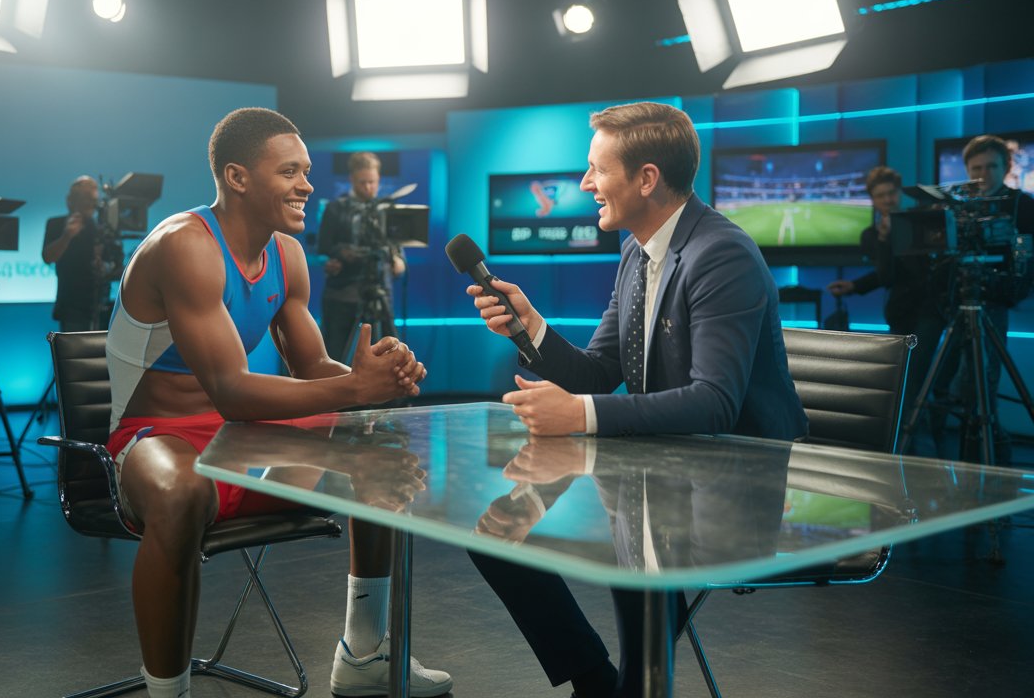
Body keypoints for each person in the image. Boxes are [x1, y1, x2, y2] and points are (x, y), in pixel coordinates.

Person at [463, 101, 808, 698]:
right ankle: (596, 681)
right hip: (662, 466)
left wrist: (579, 417)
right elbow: (598, 371)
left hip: (736, 484)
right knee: (495, 537)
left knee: (626, 546)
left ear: (646, 178)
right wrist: (532, 328)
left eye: (597, 168)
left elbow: (714, 403)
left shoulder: (720, 254)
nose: (585, 183)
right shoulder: (638, 251)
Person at [104, 108, 450, 698]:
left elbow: (313, 368)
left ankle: (364, 654)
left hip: (243, 438)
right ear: (237, 177)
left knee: (380, 448)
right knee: (182, 492)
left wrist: (371, 377)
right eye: (289, 171)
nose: (308, 185)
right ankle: (168, 691)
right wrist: (353, 390)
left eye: (307, 171)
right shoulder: (183, 245)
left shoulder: (287, 255)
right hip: (155, 436)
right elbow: (232, 391)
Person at [925, 135, 1034, 465]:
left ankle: (989, 466)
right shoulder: (954, 206)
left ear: (1006, 167)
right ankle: (945, 460)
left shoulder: (1023, 205)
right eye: (976, 168)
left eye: (991, 167)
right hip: (954, 304)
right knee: (943, 386)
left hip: (993, 304)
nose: (984, 174)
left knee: (982, 388)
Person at [826, 166, 944, 452]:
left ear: (899, 193)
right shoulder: (871, 235)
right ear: (873, 200)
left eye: (891, 194)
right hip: (900, 314)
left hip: (931, 312)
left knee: (918, 381)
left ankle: (922, 450)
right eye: (881, 196)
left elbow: (924, 271)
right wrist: (857, 282)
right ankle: (907, 450)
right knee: (903, 382)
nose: (888, 200)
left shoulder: (922, 224)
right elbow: (886, 275)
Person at [317, 152, 406, 362]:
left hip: (379, 291)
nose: (368, 187)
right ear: (352, 180)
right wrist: (340, 255)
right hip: (342, 294)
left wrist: (399, 261)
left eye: (373, 182)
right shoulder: (335, 209)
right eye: (363, 182)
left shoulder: (386, 210)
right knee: (333, 355)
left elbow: (397, 248)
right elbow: (324, 245)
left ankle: (391, 396)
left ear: (379, 180)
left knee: (390, 355)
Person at [43, 175, 111, 331]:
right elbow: (48, 257)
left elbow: (110, 264)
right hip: (71, 307)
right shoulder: (56, 224)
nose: (91, 203)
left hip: (101, 307)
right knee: (73, 354)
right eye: (86, 197)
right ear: (71, 200)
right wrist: (67, 236)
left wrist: (103, 266)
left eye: (93, 199)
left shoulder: (101, 228)